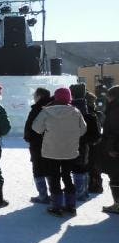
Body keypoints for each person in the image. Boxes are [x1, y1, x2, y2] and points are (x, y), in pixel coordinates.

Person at [32, 87, 87, 216]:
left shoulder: (46, 111)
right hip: (70, 151)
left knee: (54, 177)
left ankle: (56, 206)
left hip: (51, 151)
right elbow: (83, 130)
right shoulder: (76, 112)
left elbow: (36, 128)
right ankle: (71, 206)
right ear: (69, 98)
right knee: (67, 176)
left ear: (56, 97)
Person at [24, 88, 52, 204]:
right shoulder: (55, 107)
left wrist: (28, 138)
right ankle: (55, 194)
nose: (34, 97)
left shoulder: (36, 109)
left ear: (39, 96)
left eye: (35, 95)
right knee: (52, 169)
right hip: (54, 144)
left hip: (38, 145)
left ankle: (43, 196)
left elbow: (29, 131)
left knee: (38, 170)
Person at [97, 85, 119, 213]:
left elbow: (114, 131)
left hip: (116, 148)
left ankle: (117, 204)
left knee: (115, 176)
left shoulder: (115, 109)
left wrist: (110, 148)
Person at [87, 91, 105, 194]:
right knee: (95, 166)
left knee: (90, 165)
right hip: (97, 143)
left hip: (91, 142)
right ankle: (96, 185)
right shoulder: (97, 113)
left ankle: (94, 185)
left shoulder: (89, 113)